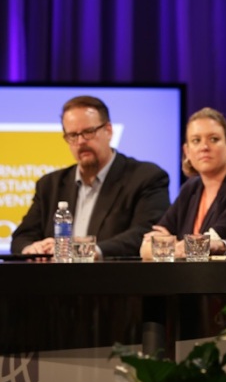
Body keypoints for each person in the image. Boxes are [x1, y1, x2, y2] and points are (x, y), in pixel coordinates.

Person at [11, 95, 171, 259]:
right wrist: (32, 248)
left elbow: (146, 233)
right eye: (73, 135)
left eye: (88, 132)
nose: (80, 142)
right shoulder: (50, 185)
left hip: (115, 280)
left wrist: (87, 251)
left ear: (108, 131)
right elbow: (22, 236)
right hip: (55, 281)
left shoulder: (146, 177)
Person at [140, 107, 226, 259]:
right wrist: (173, 246)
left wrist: (169, 246)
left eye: (213, 139)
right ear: (187, 152)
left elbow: (205, 247)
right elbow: (146, 248)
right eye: (196, 140)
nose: (204, 147)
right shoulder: (190, 188)